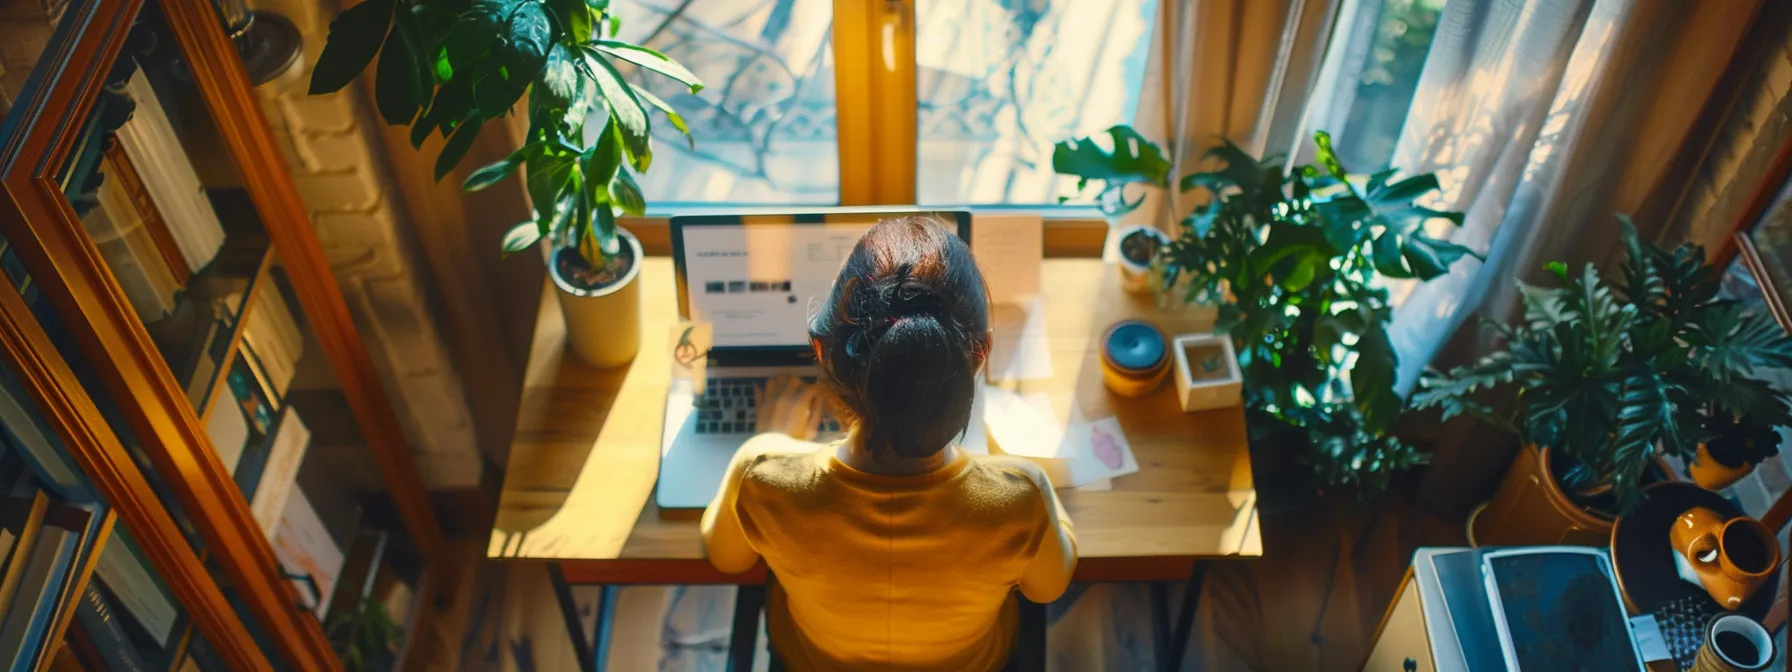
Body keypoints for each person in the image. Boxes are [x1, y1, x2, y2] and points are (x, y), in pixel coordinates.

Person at [701, 216, 1077, 671]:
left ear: (822, 352)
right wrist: (1029, 490)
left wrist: (775, 439)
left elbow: (726, 559)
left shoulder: (760, 475)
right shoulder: (1022, 499)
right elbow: (1048, 587)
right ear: (980, 355)